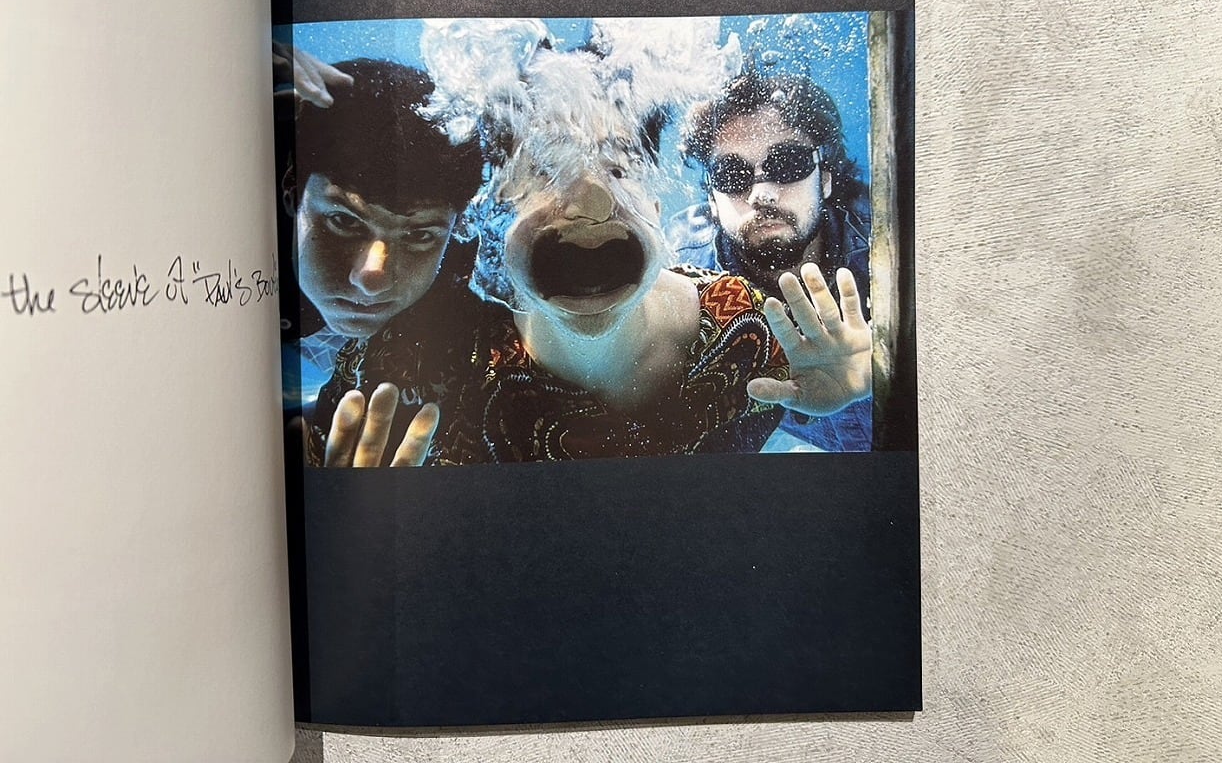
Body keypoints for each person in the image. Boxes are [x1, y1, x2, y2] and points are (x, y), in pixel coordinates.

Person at [319, 26, 872, 464]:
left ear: (656, 209)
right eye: (545, 169)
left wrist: (847, 398)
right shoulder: (403, 368)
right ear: (494, 215)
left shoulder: (748, 327)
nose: (590, 203)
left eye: (618, 167)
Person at [276, 56, 486, 466]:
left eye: (420, 235)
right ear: (290, 191)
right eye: (343, 221)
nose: (371, 279)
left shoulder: (474, 282)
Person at [672, 69, 874, 452]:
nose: (761, 194)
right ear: (712, 199)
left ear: (825, 178)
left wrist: (882, 376)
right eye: (732, 175)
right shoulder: (681, 275)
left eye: (787, 164)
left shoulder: (889, 247)